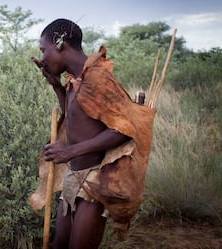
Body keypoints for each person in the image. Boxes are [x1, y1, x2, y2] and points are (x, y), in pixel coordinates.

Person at [31, 19, 155, 249]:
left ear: (59, 44)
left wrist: (70, 151)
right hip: (73, 177)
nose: (43, 57)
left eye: (44, 50)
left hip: (94, 182)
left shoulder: (97, 78)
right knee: (59, 245)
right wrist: (57, 87)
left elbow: (125, 130)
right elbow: (76, 118)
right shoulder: (76, 80)